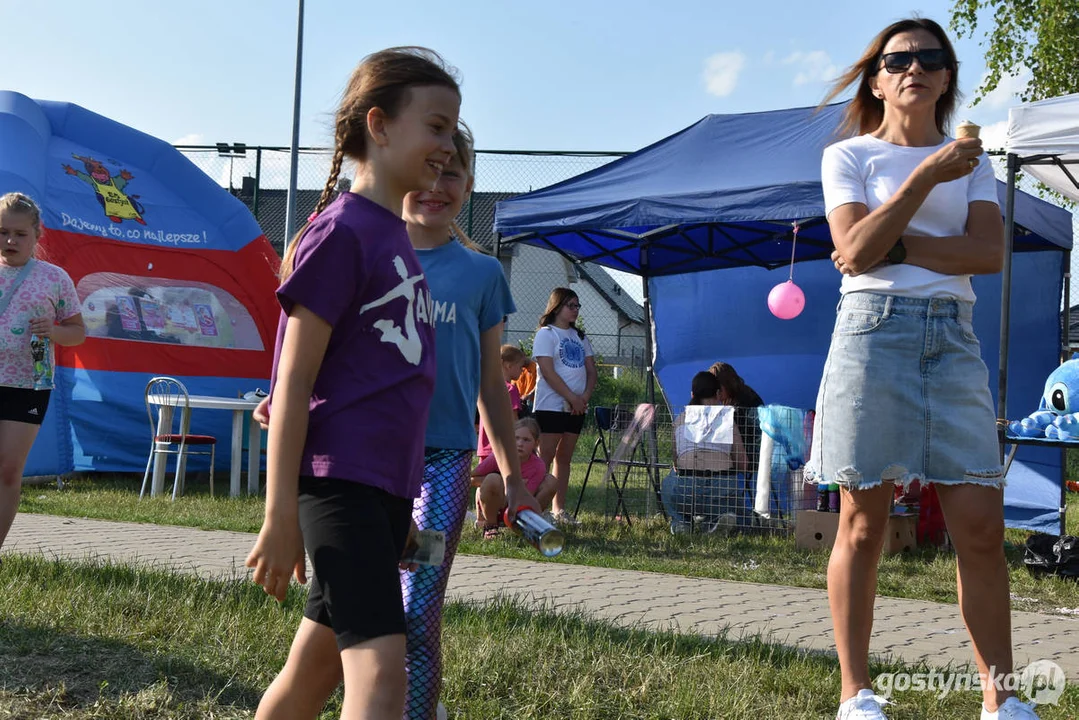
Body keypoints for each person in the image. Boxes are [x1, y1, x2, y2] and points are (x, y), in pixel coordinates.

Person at [809, 18, 1034, 720]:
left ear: (945, 77)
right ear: (876, 78)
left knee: (980, 527)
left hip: (952, 339)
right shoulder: (847, 157)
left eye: (930, 57)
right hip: (870, 336)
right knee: (861, 527)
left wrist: (898, 245)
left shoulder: (977, 161)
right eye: (897, 58)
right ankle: (855, 693)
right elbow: (851, 253)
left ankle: (1000, 697)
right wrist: (925, 179)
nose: (914, 67)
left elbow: (985, 255)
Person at [244, 47, 461, 720]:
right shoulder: (341, 232)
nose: (446, 146)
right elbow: (293, 376)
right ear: (380, 124)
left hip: (383, 489)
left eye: (452, 131)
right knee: (381, 681)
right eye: (435, 126)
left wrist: (399, 503)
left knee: (313, 673)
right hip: (340, 484)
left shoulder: (390, 234)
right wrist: (280, 515)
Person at [398, 123, 539, 720]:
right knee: (356, 609)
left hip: (443, 468)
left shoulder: (483, 275)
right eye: (425, 168)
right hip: (365, 466)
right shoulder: (364, 257)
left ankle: (420, 711)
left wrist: (511, 475)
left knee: (420, 603)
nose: (436, 184)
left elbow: (490, 386)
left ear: (471, 186)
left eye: (451, 171)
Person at [0, 192, 84, 553]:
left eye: (19, 234)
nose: (9, 241)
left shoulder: (55, 278)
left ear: (38, 234)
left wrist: (54, 330)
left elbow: (77, 332)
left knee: (7, 471)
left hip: (29, 386)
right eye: (2, 232)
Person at [532, 287, 597, 523]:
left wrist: (584, 398)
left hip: (577, 407)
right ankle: (536, 508)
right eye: (571, 305)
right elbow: (547, 372)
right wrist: (571, 397)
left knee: (565, 458)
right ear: (557, 306)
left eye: (578, 306)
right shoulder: (546, 334)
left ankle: (559, 510)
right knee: (544, 458)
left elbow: (591, 371)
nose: (576, 310)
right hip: (551, 406)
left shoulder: (580, 336)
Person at [661, 372, 749, 534]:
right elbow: (743, 464)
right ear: (718, 394)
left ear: (692, 394)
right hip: (721, 490)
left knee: (667, 483)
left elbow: (676, 463)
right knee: (728, 499)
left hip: (685, 490)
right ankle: (714, 522)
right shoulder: (727, 420)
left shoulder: (680, 420)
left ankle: (681, 523)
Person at [473, 417, 557, 537]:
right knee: (492, 479)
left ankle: (527, 523)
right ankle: (490, 526)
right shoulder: (498, 456)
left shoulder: (538, 466)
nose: (520, 444)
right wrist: (505, 482)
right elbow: (470, 479)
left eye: (526, 440)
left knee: (551, 481)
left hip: (517, 505)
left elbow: (525, 496)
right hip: (494, 502)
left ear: (536, 443)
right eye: (516, 438)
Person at [475, 344, 527, 462]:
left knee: (483, 478)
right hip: (502, 446)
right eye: (520, 367)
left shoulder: (486, 387)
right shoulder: (510, 389)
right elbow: (514, 420)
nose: (521, 370)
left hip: (485, 444)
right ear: (509, 366)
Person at [708, 361, 764, 448]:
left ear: (727, 384)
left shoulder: (743, 401)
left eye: (719, 389)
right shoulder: (740, 395)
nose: (717, 394)